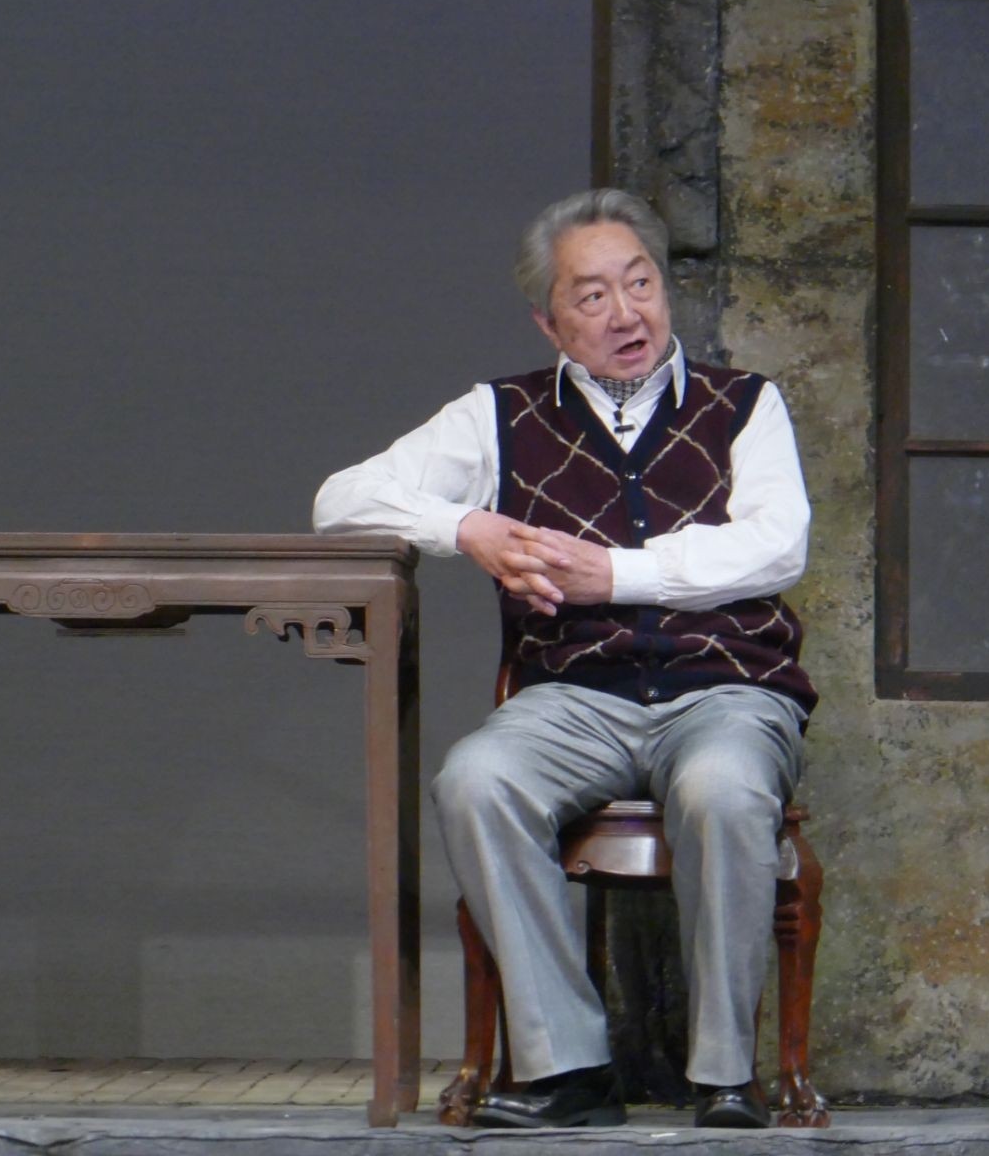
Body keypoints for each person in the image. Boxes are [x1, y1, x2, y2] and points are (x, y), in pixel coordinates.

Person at [313, 188, 816, 1130]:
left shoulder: (745, 404)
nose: (626, 314)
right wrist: (466, 528)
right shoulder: (498, 416)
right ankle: (567, 1068)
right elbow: (340, 503)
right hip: (573, 698)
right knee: (476, 780)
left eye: (640, 284)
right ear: (549, 322)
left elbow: (778, 546)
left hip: (727, 691)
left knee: (722, 790)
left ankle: (724, 1076)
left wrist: (614, 573)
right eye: (592, 296)